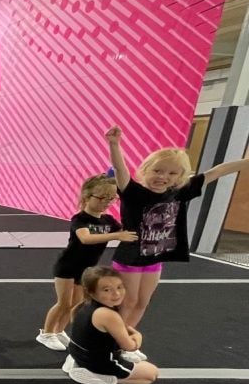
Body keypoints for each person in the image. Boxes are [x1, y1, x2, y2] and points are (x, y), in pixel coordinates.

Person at [106, 125, 249, 353]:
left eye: (172, 173)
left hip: (155, 258)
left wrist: (244, 163)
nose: (163, 177)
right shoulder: (133, 192)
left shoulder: (180, 192)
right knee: (128, 302)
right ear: (146, 170)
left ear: (180, 177)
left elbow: (218, 171)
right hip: (130, 257)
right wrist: (114, 145)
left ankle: (122, 342)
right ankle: (109, 343)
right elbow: (119, 168)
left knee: (143, 302)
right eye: (158, 171)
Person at [36, 174, 137, 351]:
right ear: (87, 197)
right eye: (102, 197)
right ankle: (46, 333)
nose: (106, 202)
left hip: (85, 269)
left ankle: (59, 331)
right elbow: (85, 238)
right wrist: (116, 236)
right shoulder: (80, 219)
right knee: (63, 303)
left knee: (76, 304)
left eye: (111, 198)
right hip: (67, 266)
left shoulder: (108, 221)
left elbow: (127, 230)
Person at [62, 266, 158, 384]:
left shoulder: (82, 305)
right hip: (99, 362)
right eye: (106, 290)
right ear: (91, 292)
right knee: (151, 375)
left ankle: (80, 363)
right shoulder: (108, 315)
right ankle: (99, 376)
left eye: (119, 287)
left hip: (77, 353)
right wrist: (138, 337)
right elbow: (130, 347)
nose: (116, 294)